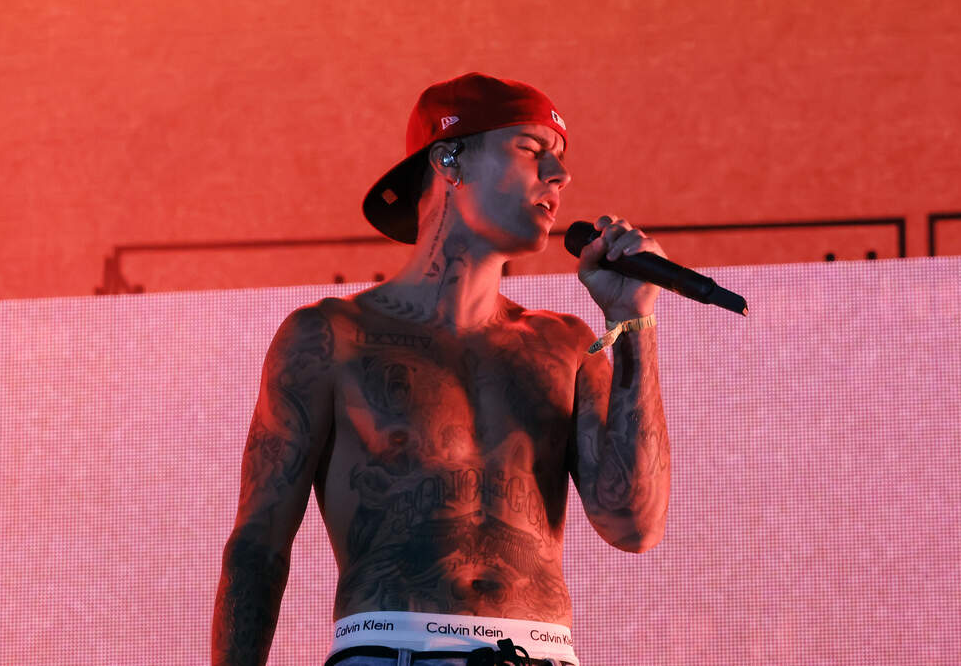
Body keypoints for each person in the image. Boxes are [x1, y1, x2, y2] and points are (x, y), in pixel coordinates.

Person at [212, 72, 671, 666]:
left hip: (541, 655)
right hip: (390, 648)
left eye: (560, 157)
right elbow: (259, 544)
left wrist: (632, 323)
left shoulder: (564, 345)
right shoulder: (331, 337)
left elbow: (634, 525)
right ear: (449, 160)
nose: (558, 175)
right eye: (531, 149)